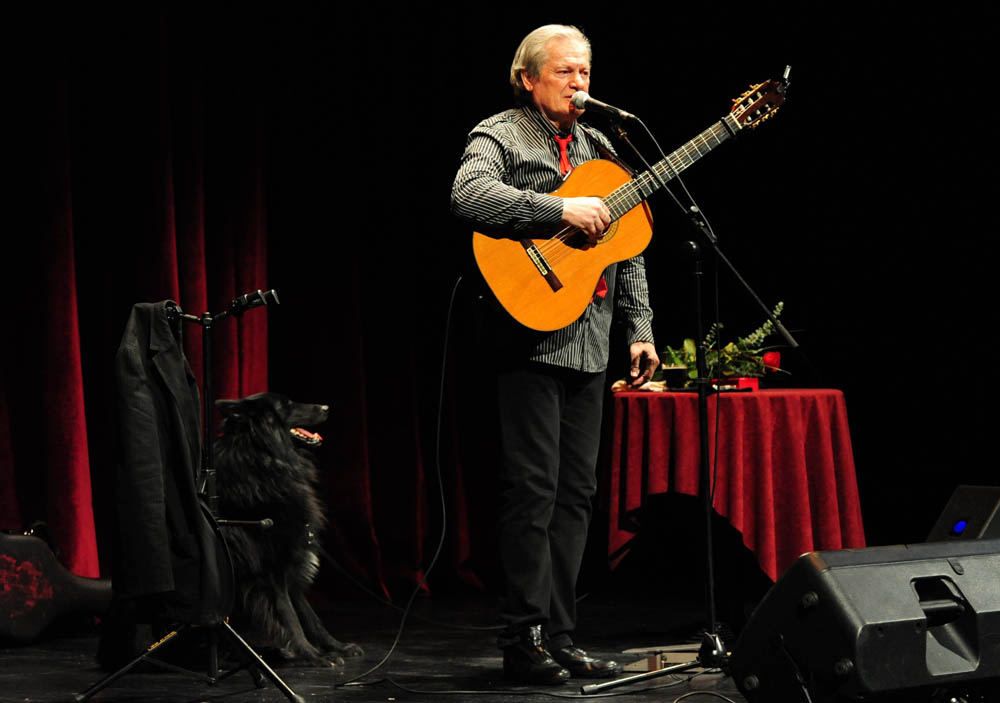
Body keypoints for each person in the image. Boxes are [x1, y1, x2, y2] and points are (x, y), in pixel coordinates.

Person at [450, 25, 659, 684]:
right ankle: (524, 637)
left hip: (590, 341)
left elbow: (628, 244)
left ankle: (561, 635)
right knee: (532, 491)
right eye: (565, 72)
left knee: (576, 497)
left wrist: (640, 327)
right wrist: (558, 209)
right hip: (528, 336)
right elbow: (468, 195)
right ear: (529, 78)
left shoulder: (602, 147)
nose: (579, 84)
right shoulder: (501, 133)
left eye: (585, 73)